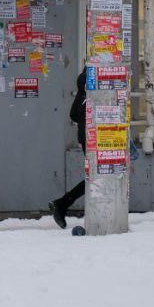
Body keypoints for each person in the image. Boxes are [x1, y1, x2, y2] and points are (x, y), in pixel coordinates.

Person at [49, 70, 88, 228]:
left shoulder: (82, 95)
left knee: (94, 178)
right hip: (94, 141)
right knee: (96, 178)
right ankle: (62, 204)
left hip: (88, 140)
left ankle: (62, 204)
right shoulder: (88, 96)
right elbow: (75, 115)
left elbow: (73, 115)